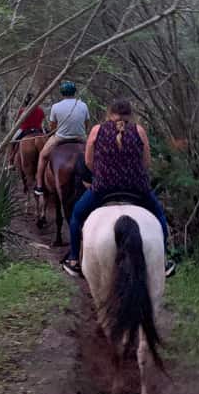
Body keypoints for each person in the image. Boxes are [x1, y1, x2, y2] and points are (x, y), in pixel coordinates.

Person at [61, 98, 175, 278]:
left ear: (109, 112)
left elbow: (89, 162)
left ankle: (74, 259)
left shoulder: (96, 131)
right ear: (130, 114)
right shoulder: (139, 131)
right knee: (160, 214)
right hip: (137, 188)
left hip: (103, 188)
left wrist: (102, 174)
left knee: (76, 215)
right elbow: (146, 163)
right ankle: (164, 258)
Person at [33, 81, 89, 195]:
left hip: (60, 138)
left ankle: (39, 185)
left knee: (43, 156)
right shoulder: (83, 105)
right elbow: (86, 123)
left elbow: (53, 127)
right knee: (96, 154)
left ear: (62, 92)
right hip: (80, 138)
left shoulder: (56, 106)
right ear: (74, 92)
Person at [7, 94, 46, 167]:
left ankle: (11, 161)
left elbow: (18, 122)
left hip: (24, 130)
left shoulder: (22, 111)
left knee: (12, 141)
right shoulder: (40, 110)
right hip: (38, 130)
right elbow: (42, 120)